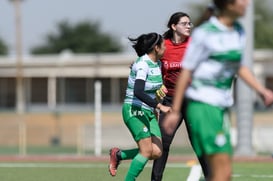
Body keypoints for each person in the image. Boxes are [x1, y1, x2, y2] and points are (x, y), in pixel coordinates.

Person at [163, 0, 273, 181]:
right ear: (229, 4)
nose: (247, 3)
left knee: (224, 173)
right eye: (243, 0)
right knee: (220, 172)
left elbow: (238, 66)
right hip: (203, 106)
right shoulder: (205, 33)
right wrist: (175, 110)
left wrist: (261, 90)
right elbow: (186, 72)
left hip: (221, 108)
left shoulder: (238, 31)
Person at [151, 12, 209, 181]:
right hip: (170, 100)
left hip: (192, 100)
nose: (188, 26)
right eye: (184, 23)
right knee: (163, 142)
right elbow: (150, 63)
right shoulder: (163, 46)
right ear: (173, 26)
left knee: (198, 142)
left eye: (190, 23)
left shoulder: (194, 44)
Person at [108, 32, 171, 181]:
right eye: (163, 45)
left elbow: (151, 90)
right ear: (156, 48)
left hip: (148, 111)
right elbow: (138, 91)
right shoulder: (143, 64)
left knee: (156, 152)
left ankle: (119, 155)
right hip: (134, 109)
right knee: (146, 150)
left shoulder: (158, 63)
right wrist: (159, 106)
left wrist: (158, 93)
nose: (165, 47)